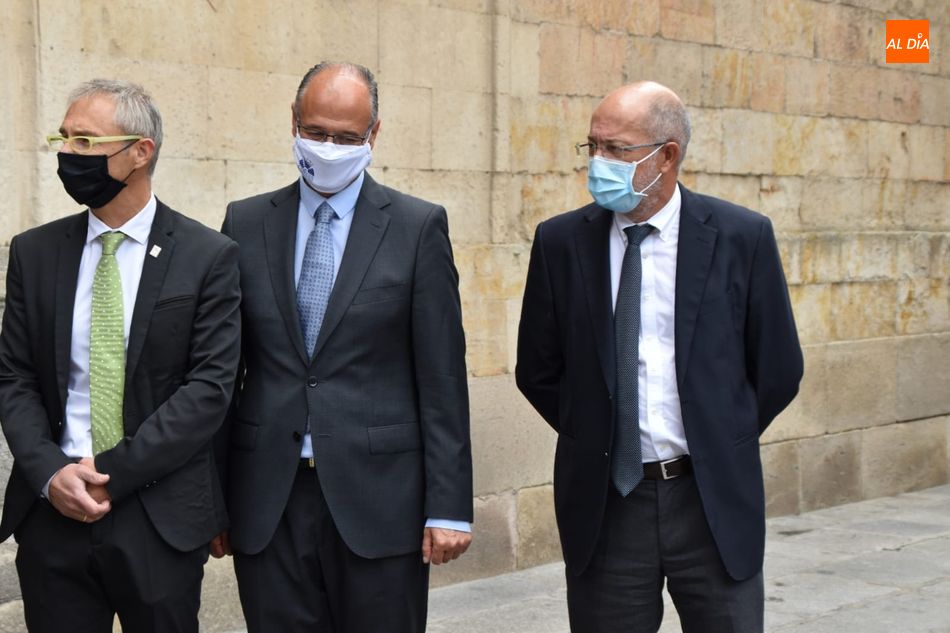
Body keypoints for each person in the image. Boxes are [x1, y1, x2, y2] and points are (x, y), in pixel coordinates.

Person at [515, 81, 803, 633]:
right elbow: (539, 369)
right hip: (608, 506)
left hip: (712, 501)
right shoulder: (560, 242)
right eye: (591, 146)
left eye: (616, 149)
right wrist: (601, 434)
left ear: (666, 155)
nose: (598, 162)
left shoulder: (742, 236)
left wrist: (720, 435)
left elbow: (778, 369)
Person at [215, 61, 473, 633]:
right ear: (293, 122)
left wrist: (450, 505)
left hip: (381, 502)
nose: (329, 148)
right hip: (268, 501)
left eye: (347, 137)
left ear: (374, 135)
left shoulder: (417, 227)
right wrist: (212, 497)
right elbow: (222, 374)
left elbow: (442, 381)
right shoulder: (245, 221)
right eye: (316, 132)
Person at [0, 79, 241, 633]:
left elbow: (208, 390)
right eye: (63, 139)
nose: (67, 154)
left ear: (141, 151)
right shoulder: (35, 253)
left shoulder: (208, 256)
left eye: (85, 141)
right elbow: (13, 376)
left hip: (157, 517)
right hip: (53, 514)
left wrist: (106, 471)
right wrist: (49, 471)